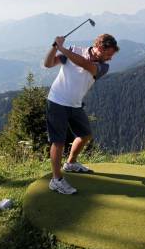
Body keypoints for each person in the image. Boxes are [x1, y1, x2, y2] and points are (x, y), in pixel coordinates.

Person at [43, 33, 119, 194]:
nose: (109, 58)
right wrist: (55, 47)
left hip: (75, 105)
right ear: (98, 47)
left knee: (85, 135)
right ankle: (56, 180)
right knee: (58, 142)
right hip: (57, 101)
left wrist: (62, 48)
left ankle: (70, 163)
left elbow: (85, 64)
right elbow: (48, 64)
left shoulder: (103, 67)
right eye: (108, 54)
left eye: (111, 55)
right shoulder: (73, 50)